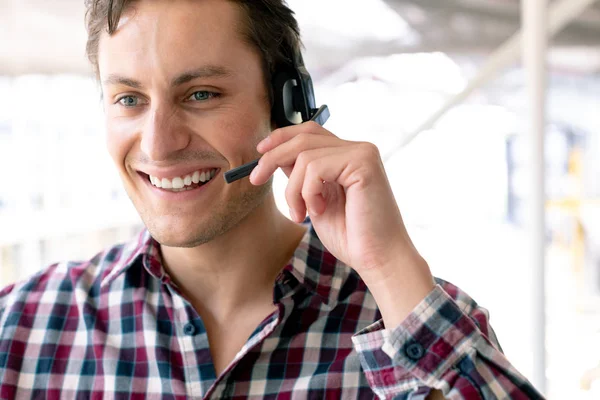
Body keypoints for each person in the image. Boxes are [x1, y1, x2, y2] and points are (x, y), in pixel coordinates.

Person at [0, 0, 544, 398]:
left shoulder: (411, 318)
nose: (159, 143)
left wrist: (389, 266)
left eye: (202, 94)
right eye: (128, 99)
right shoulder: (19, 329)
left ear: (289, 105)